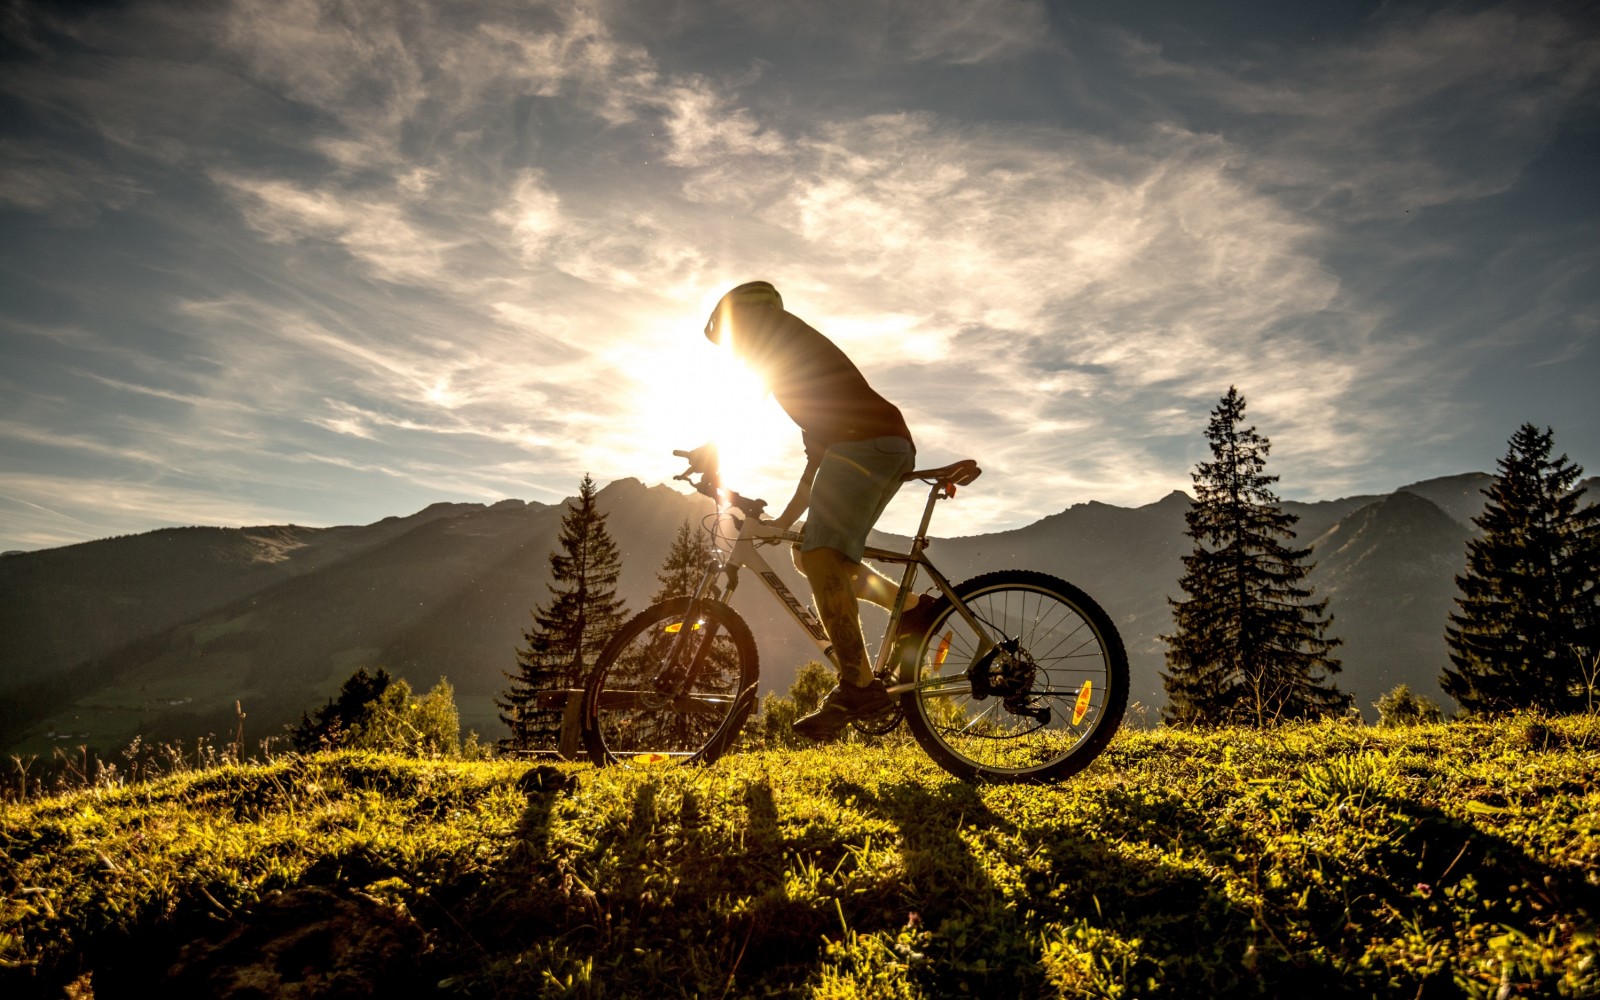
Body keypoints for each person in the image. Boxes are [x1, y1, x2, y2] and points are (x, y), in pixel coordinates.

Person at [702, 280, 931, 740]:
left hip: (868, 445)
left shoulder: (778, 338)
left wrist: (712, 448)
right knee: (808, 552)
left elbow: (744, 406)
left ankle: (857, 685)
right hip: (877, 445)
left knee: (822, 555)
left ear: (746, 319)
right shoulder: (806, 372)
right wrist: (784, 523)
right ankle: (910, 609)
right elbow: (817, 462)